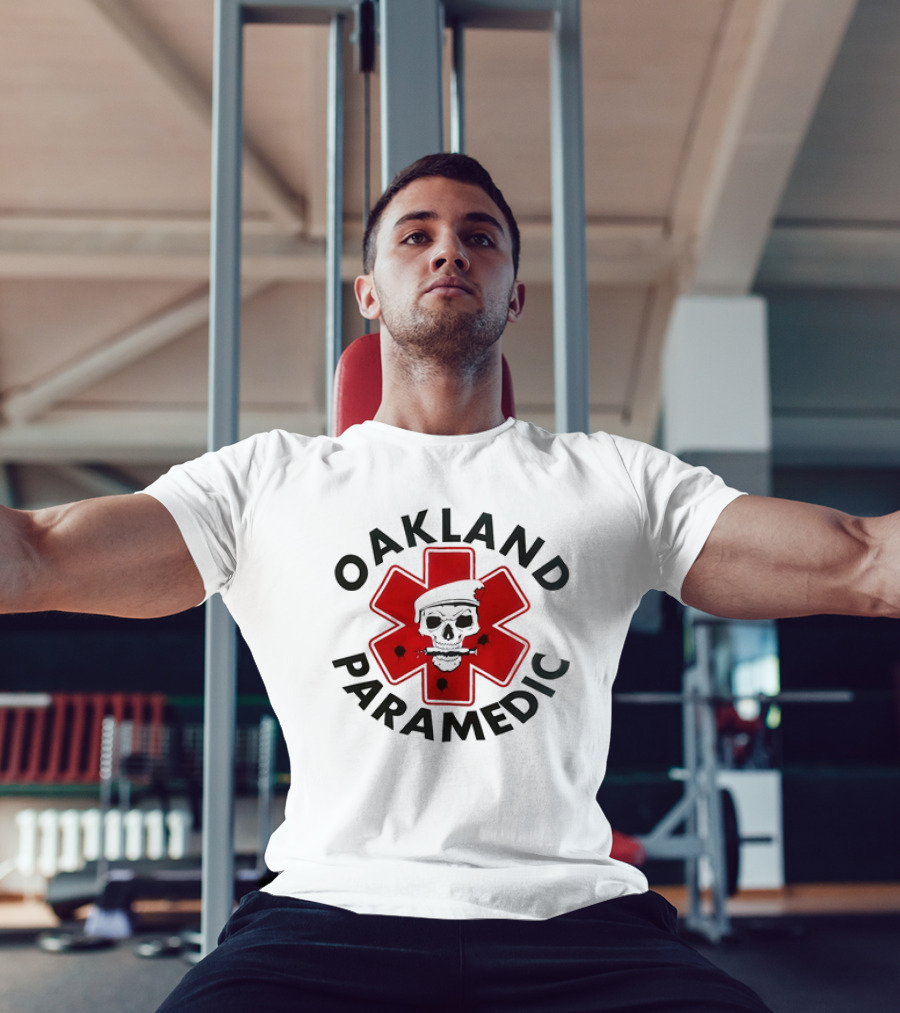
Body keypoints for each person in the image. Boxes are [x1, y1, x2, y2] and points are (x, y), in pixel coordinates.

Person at [4, 153, 898, 1012]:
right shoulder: (264, 483)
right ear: (368, 294)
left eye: (479, 236)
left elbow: (860, 558)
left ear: (515, 294)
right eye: (415, 234)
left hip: (576, 919)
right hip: (326, 913)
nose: (448, 250)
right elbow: (41, 553)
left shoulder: (614, 480)